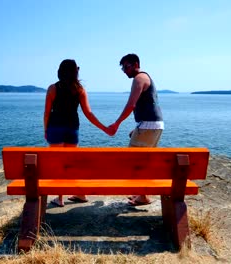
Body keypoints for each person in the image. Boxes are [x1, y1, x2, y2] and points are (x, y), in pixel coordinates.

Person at [44, 59, 110, 207]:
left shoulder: (53, 88)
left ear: (60, 71)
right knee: (71, 163)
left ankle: (59, 198)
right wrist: (105, 128)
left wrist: (45, 130)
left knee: (58, 164)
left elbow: (47, 113)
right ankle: (80, 193)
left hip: (55, 128)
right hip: (72, 129)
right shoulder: (80, 90)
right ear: (76, 72)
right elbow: (89, 114)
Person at [108, 53, 164, 206]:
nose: (125, 70)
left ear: (136, 64)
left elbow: (131, 104)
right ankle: (141, 194)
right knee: (143, 161)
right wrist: (137, 128)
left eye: (127, 66)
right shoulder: (146, 78)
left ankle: (143, 196)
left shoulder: (139, 78)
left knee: (133, 162)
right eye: (123, 68)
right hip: (154, 125)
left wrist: (116, 123)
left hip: (148, 126)